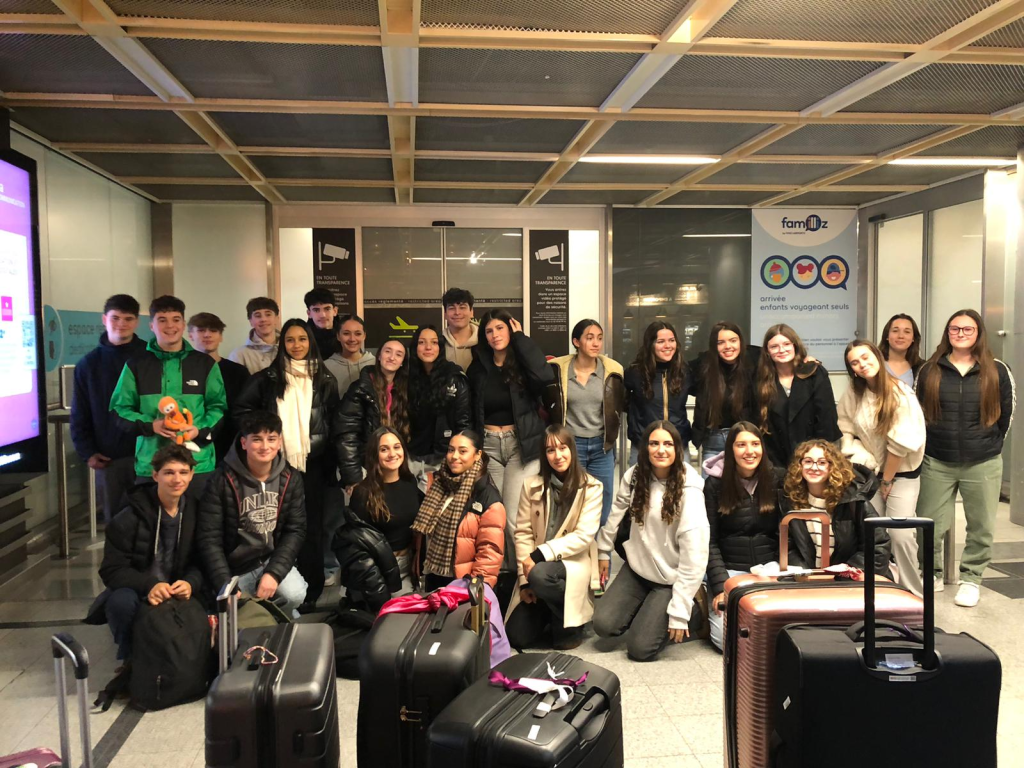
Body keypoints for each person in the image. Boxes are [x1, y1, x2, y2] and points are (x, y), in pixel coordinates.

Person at [233, 319, 340, 611]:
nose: (296, 345)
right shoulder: (267, 378)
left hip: (314, 466)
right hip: (275, 465)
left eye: (302, 339)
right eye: (290, 340)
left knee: (312, 528)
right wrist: (264, 434)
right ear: (283, 345)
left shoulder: (325, 379)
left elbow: (334, 423)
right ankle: (278, 586)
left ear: (310, 342)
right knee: (278, 526)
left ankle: (311, 591)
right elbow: (241, 411)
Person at [915, 309, 1015, 607]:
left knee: (981, 526)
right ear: (947, 333)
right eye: (954, 329)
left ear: (978, 333)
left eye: (967, 329)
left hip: (983, 460)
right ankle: (931, 573)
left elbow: (1006, 415)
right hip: (937, 459)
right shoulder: (930, 369)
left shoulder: (997, 370)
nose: (960, 334)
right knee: (929, 523)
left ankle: (971, 579)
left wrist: (989, 444)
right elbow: (918, 413)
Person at [593, 421, 709, 662]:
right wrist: (603, 550)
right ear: (645, 447)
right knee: (603, 625)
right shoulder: (635, 475)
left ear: (677, 449)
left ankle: (695, 610)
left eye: (668, 444)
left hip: (670, 578)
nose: (661, 450)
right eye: (654, 443)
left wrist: (679, 612)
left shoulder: (690, 489)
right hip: (638, 570)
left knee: (640, 648)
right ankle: (648, 610)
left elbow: (695, 556)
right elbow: (616, 513)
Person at [467, 310, 556, 608]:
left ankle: (524, 580)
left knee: (517, 518)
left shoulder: (523, 364)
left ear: (510, 330)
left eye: (501, 328)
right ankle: (503, 579)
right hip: (489, 446)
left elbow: (545, 376)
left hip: (521, 446)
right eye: (489, 330)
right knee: (495, 516)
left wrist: (521, 339)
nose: (495, 335)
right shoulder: (479, 367)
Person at [110, 295, 227, 500]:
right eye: (162, 320)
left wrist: (198, 430)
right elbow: (119, 409)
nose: (170, 326)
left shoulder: (204, 364)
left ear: (183, 325)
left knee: (200, 519)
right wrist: (151, 425)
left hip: (197, 465)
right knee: (152, 520)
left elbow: (218, 407)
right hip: (151, 466)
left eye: (176, 319)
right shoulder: (136, 364)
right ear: (151, 326)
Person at [98, 445, 205, 662]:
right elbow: (112, 569)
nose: (177, 479)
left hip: (178, 585)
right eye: (169, 472)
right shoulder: (129, 516)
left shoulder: (197, 512)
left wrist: (190, 582)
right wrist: (150, 585)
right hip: (139, 586)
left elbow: (202, 560)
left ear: (192, 475)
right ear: (155, 475)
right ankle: (130, 659)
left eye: (183, 472)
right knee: (120, 603)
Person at [197, 410, 307, 617]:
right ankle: (267, 616)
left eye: (271, 439)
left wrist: (274, 573)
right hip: (234, 569)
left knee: (295, 594)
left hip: (269, 559)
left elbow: (295, 530)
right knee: (233, 613)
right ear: (244, 443)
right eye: (256, 439)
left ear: (279, 442)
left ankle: (272, 617)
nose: (265, 446)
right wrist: (225, 583)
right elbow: (209, 538)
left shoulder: (290, 478)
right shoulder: (220, 480)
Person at [838, 340, 926, 597]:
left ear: (877, 356)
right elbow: (846, 428)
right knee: (872, 533)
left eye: (865, 357)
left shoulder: (900, 393)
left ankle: (913, 594)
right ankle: (878, 590)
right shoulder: (854, 392)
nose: (862, 365)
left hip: (901, 474)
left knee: (900, 535)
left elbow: (901, 444)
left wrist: (887, 480)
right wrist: (857, 454)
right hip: (871, 474)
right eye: (855, 362)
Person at [505, 426, 602, 651]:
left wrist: (540, 555)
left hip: (572, 562)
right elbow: (523, 533)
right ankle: (555, 609)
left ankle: (568, 621)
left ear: (572, 450)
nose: (558, 455)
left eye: (562, 448)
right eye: (550, 450)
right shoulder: (531, 485)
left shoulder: (592, 487)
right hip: (536, 569)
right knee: (516, 637)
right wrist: (525, 582)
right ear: (544, 455)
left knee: (541, 574)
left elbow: (583, 535)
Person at [703, 422, 785, 651]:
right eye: (741, 445)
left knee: (782, 629)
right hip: (730, 572)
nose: (750, 451)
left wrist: (782, 571)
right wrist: (720, 586)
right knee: (726, 641)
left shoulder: (777, 478)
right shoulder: (714, 484)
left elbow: (787, 534)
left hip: (769, 569)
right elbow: (709, 541)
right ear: (730, 450)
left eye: (755, 444)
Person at [71, 294, 148, 523]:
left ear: (136, 322)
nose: (121, 324)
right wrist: (87, 452)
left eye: (128, 318)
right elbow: (80, 412)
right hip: (109, 458)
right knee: (116, 523)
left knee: (153, 519)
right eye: (115, 318)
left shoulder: (151, 357)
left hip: (150, 453)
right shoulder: (88, 364)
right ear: (104, 319)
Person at [336, 427, 423, 609]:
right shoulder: (363, 493)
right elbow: (356, 547)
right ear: (374, 454)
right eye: (384, 449)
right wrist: (376, 589)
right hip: (378, 570)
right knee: (395, 618)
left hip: (410, 565)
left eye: (396, 447)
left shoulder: (410, 483)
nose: (392, 454)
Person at [550, 319, 624, 526]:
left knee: (602, 503)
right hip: (571, 446)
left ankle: (600, 547)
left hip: (602, 446)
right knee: (572, 503)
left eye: (599, 338)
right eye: (589, 338)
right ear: (576, 342)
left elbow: (618, 404)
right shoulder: (558, 369)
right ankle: (574, 546)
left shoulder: (613, 370)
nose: (596, 343)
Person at [411, 430, 505, 590]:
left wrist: (475, 589)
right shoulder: (437, 484)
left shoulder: (486, 496)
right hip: (432, 576)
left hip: (464, 584)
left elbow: (489, 552)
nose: (454, 456)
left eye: (462, 451)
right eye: (451, 450)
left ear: (477, 455)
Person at [782, 440, 891, 576]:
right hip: (808, 581)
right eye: (808, 461)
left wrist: (848, 569)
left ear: (832, 466)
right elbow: (787, 547)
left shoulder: (853, 500)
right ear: (799, 466)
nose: (814, 467)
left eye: (822, 462)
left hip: (850, 579)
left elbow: (879, 546)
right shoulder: (790, 501)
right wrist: (805, 573)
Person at [755, 324, 840, 468]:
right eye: (774, 346)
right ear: (767, 351)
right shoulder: (761, 381)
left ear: (795, 346)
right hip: (777, 460)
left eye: (786, 344)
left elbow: (827, 419)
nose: (781, 350)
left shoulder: (814, 373)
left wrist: (816, 457)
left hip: (816, 458)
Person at [406, 325, 472, 491]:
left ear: (440, 347)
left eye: (434, 342)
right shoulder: (406, 377)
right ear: (415, 347)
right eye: (422, 342)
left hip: (443, 458)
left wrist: (458, 457)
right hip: (411, 458)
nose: (428, 347)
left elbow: (464, 424)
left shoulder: (454, 377)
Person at [337, 339, 410, 488]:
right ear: (379, 356)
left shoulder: (406, 390)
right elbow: (347, 436)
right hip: (366, 467)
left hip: (395, 466)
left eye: (398, 354)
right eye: (388, 351)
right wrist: (353, 477)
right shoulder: (360, 389)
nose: (392, 357)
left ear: (403, 362)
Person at [691, 321, 759, 469]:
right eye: (720, 342)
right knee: (711, 483)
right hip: (713, 441)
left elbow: (782, 358)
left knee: (744, 483)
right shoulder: (704, 366)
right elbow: (675, 369)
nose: (727, 346)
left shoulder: (754, 362)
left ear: (741, 342)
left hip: (746, 439)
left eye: (733, 340)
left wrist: (804, 362)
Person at [623, 321, 690, 466]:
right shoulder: (635, 373)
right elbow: (623, 401)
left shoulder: (684, 372)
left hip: (678, 445)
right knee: (639, 481)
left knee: (682, 481)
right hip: (643, 446)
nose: (668, 345)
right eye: (661, 341)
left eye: (671, 340)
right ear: (650, 344)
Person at [188, 312, 250, 466]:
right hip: (193, 444)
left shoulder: (238, 372)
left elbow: (245, 411)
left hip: (231, 446)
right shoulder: (182, 372)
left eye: (213, 330)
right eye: (201, 330)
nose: (207, 335)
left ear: (221, 336)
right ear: (190, 335)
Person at [324, 313, 374, 399]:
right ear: (338, 336)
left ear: (364, 336)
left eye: (358, 334)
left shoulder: (375, 364)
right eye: (346, 333)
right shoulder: (326, 367)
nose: (352, 339)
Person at [229, 297, 280, 374]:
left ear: (277, 318)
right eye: (258, 316)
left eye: (268, 314)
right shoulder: (238, 355)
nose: (263, 319)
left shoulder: (289, 349)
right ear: (250, 321)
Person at [879, 313, 924, 388]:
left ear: (913, 338)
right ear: (887, 336)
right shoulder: (874, 363)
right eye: (895, 331)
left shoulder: (922, 368)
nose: (900, 336)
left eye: (907, 332)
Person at [442, 287, 478, 372]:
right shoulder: (438, 343)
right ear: (445, 314)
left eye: (462, 307)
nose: (457, 312)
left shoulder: (485, 340)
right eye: (451, 308)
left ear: (471, 312)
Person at [304, 287, 338, 359]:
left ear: (335, 311)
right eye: (316, 310)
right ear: (309, 313)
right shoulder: (302, 337)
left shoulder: (345, 335)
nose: (323, 315)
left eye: (327, 309)